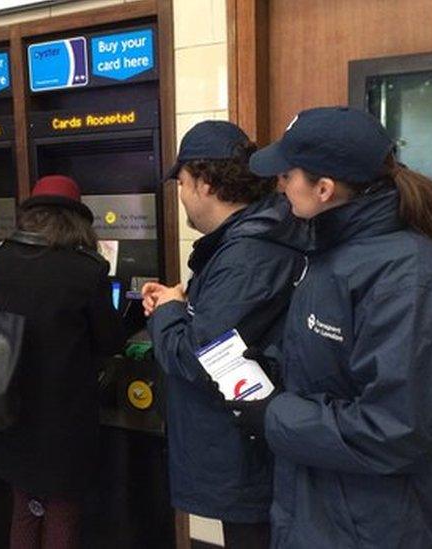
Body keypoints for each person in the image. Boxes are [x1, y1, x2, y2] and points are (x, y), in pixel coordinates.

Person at [238, 106, 432, 548]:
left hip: (383, 524)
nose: (279, 185)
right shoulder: (331, 254)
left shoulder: (411, 280)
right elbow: (338, 370)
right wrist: (272, 370)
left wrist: (275, 415)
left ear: (323, 188)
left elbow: (395, 428)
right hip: (325, 510)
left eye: (287, 174)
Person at [142, 121, 304, 549]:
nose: (179, 193)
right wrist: (176, 306)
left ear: (205, 182)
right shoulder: (246, 241)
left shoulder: (250, 254)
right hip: (244, 445)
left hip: (245, 453)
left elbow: (197, 358)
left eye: (181, 181)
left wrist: (169, 313)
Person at [0, 175, 126, 549]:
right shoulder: (88, 269)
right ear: (77, 222)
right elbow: (110, 338)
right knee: (62, 511)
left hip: (8, 408)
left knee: (24, 507)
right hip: (65, 418)